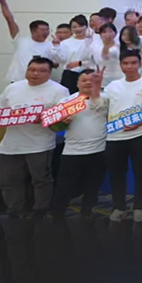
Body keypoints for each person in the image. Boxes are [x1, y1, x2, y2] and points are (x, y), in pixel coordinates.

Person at [0, 56, 69, 217]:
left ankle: (40, 211)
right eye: (32, 70)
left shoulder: (59, 91)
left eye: (42, 71)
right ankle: (15, 210)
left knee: (41, 180)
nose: (36, 74)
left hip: (40, 144)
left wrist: (45, 118)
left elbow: (63, 122)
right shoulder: (12, 88)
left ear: (49, 73)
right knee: (6, 180)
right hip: (10, 144)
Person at [95, 51, 142, 222]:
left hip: (139, 135)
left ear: (140, 64)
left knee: (140, 174)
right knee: (116, 175)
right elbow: (99, 104)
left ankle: (139, 208)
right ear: (120, 65)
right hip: (114, 137)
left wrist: (139, 123)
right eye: (125, 63)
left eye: (133, 63)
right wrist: (97, 86)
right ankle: (119, 207)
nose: (129, 67)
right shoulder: (113, 86)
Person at [51, 70, 109, 218]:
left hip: (98, 150)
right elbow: (54, 127)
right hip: (72, 151)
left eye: (92, 80)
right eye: (84, 80)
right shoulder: (66, 102)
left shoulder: (105, 100)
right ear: (77, 83)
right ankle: (57, 213)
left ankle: (87, 211)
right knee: (64, 186)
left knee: (93, 186)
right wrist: (62, 122)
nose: (88, 83)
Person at [0, 0, 61, 83]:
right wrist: (3, 3)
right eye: (43, 30)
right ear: (33, 30)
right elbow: (9, 20)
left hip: (40, 82)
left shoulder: (51, 45)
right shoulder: (20, 41)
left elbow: (56, 64)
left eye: (47, 30)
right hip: (18, 80)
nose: (46, 32)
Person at [59, 15, 95, 94]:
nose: (78, 29)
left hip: (88, 74)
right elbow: (62, 59)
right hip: (70, 75)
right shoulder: (65, 43)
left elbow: (95, 59)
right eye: (74, 27)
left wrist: (80, 63)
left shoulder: (93, 41)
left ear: (86, 26)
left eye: (80, 26)